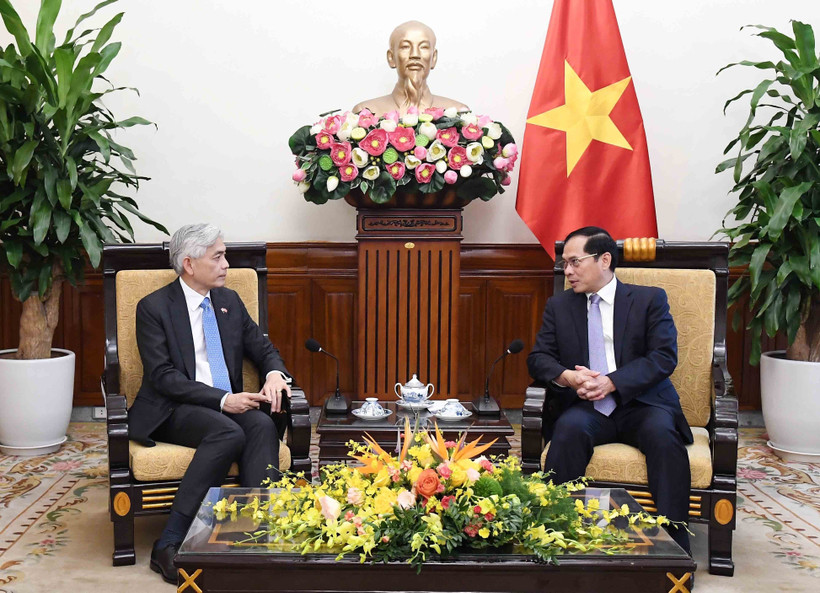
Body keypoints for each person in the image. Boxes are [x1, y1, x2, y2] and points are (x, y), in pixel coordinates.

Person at [128, 223, 292, 583]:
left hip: (225, 404)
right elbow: (164, 377)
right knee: (227, 432)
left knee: (262, 424)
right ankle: (168, 543)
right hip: (173, 408)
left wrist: (274, 374)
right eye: (217, 257)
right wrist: (223, 399)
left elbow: (262, 348)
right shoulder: (154, 307)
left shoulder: (228, 301)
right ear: (189, 264)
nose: (226, 264)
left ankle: (249, 535)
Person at [527, 226, 692, 554]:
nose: (568, 271)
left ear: (604, 260)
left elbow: (663, 356)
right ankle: (556, 535)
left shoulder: (648, 300)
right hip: (588, 408)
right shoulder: (560, 306)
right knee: (568, 430)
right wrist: (568, 377)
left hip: (641, 403)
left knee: (663, 437)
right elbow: (538, 359)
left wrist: (613, 381)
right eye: (565, 264)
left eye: (575, 262)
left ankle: (675, 544)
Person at [352, 20, 469, 117]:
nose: (415, 54)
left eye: (423, 47)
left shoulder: (458, 113)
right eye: (405, 47)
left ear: (433, 58)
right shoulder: (366, 113)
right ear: (391, 57)